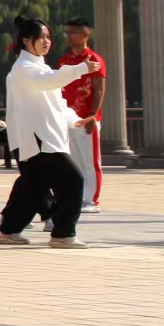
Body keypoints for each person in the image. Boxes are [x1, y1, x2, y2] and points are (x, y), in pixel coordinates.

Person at [0, 15, 99, 248]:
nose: (46, 42)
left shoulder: (39, 67)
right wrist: (81, 68)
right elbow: (50, 81)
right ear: (26, 41)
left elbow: (57, 103)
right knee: (73, 180)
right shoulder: (24, 68)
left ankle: (9, 230)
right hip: (37, 140)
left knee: (33, 187)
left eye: (48, 37)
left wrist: (75, 120)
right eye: (41, 37)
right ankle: (63, 234)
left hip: (43, 138)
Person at [57, 17, 106, 212]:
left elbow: (99, 89)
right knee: (74, 160)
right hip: (67, 118)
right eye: (67, 32)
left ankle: (92, 200)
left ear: (86, 34)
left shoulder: (94, 60)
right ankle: (78, 197)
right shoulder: (65, 61)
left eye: (73, 32)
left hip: (87, 119)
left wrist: (93, 115)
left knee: (90, 161)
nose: (68, 36)